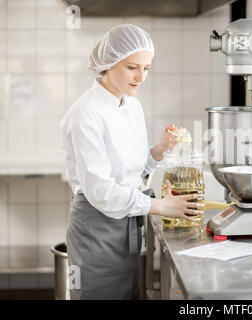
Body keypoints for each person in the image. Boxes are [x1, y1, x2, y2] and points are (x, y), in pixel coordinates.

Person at [59, 24, 204, 300]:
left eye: (146, 68)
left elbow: (130, 172)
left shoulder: (131, 106)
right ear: (107, 62)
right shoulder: (85, 114)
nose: (141, 77)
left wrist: (158, 151)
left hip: (125, 225)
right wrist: (160, 206)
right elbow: (101, 191)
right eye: (132, 67)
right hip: (97, 230)